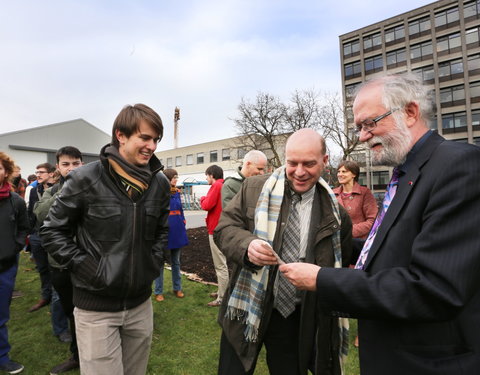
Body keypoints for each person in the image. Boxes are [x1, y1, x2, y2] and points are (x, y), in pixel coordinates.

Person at [280, 73, 480, 375]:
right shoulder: (407, 171)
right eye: (359, 127)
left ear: (410, 113)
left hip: (430, 361)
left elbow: (434, 288)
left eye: (369, 123)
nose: (361, 136)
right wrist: (332, 247)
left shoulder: (458, 166)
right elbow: (395, 247)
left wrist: (322, 279)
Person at [40, 104, 170, 375]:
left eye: (156, 139)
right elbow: (52, 230)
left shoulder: (158, 183)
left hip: (140, 305)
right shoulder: (86, 178)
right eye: (145, 138)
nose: (152, 146)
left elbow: (161, 230)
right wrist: (89, 268)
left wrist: (153, 263)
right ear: (121, 135)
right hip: (95, 307)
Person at [214, 129, 352, 375]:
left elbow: (341, 262)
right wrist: (248, 246)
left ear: (325, 161)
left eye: (309, 163)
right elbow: (224, 228)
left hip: (294, 315)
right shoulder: (253, 188)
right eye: (292, 163)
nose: (299, 172)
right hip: (247, 304)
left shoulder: (336, 214)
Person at [35, 146, 84, 374]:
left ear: (82, 164)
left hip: (88, 263)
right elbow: (42, 213)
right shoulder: (53, 190)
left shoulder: (93, 188)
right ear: (58, 167)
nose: (71, 168)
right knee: (71, 312)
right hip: (60, 264)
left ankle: (96, 354)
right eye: (66, 164)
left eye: (76, 163)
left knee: (91, 313)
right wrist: (66, 191)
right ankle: (77, 355)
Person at [0, 152, 29, 374]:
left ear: (6, 171)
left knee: (1, 315)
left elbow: (23, 227)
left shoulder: (16, 201)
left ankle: (2, 356)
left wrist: (15, 247)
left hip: (5, 267)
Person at [154, 168, 188, 302]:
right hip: (164, 231)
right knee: (160, 263)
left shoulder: (177, 193)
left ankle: (177, 288)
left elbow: (180, 210)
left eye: (176, 177)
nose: (176, 180)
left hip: (178, 231)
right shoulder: (160, 193)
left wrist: (183, 222)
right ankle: (158, 291)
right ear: (167, 179)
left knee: (176, 262)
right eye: (174, 177)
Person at [27, 163, 56, 313]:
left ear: (51, 174)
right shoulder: (34, 190)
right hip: (37, 235)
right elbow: (31, 212)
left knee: (55, 269)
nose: (38, 175)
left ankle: (57, 300)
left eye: (42, 172)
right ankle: (46, 296)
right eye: (36, 172)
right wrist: (31, 233)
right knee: (43, 269)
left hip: (54, 235)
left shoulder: (58, 189)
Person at [200, 165, 227, 307]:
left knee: (220, 265)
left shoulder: (216, 185)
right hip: (222, 228)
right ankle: (221, 291)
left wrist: (203, 198)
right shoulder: (224, 184)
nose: (206, 178)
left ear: (211, 175)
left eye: (206, 175)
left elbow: (207, 205)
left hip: (215, 230)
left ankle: (222, 298)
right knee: (223, 263)